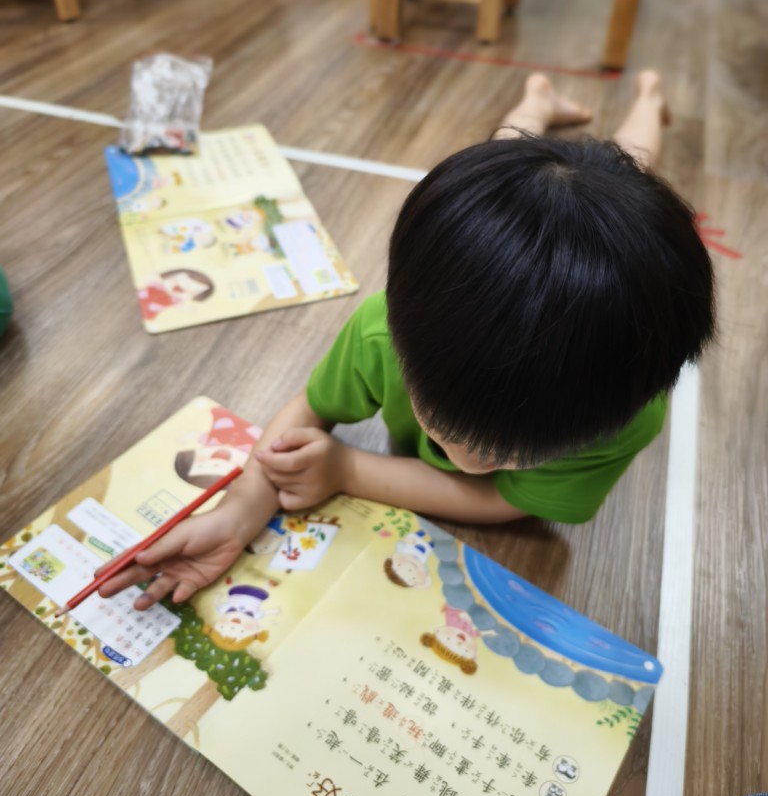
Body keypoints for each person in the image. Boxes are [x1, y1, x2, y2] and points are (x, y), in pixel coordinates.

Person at [99, 70, 716, 611]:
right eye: (444, 432)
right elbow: (309, 409)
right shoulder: (381, 330)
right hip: (516, 223)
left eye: (508, 455)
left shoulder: (625, 407)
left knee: (631, 168)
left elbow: (508, 502)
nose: (471, 464)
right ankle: (538, 99)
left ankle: (649, 95)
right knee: (514, 157)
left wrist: (349, 468)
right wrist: (242, 506)